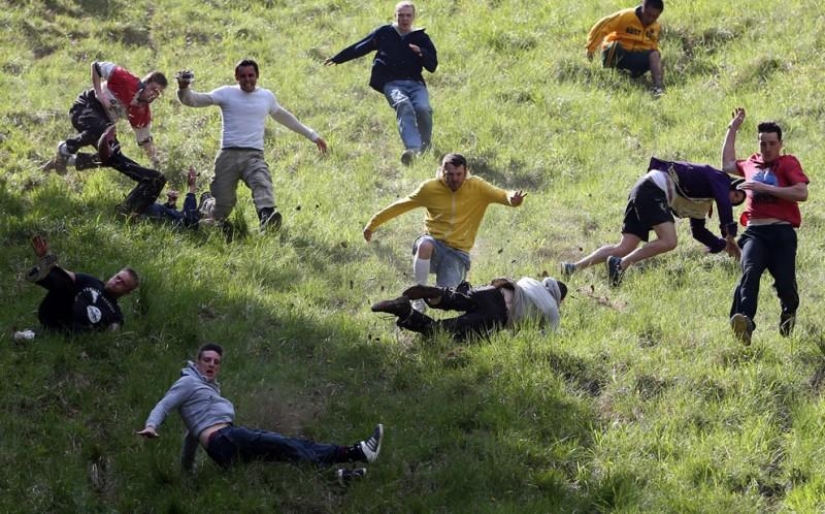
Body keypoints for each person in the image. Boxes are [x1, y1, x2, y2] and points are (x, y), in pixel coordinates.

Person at [137, 343, 383, 483]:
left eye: (216, 361)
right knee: (287, 444)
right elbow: (164, 404)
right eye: (207, 360)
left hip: (222, 450)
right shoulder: (188, 382)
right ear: (197, 361)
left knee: (285, 456)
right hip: (225, 439)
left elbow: (192, 437)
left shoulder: (207, 394)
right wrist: (152, 425)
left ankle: (340, 477)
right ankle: (357, 451)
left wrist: (187, 473)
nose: (212, 364)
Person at [175, 60, 328, 232]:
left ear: (257, 76)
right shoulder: (226, 93)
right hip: (228, 156)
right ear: (236, 77)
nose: (247, 80)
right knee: (222, 209)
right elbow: (194, 100)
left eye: (251, 75)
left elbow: (285, 117)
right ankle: (207, 202)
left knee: (262, 181)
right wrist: (183, 87)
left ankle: (267, 218)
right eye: (243, 76)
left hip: (253, 155)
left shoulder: (266, 97)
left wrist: (312, 135)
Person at [363, 153, 526, 311]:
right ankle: (418, 298)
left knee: (444, 299)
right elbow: (401, 205)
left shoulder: (478, 187)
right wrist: (373, 224)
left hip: (458, 254)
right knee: (425, 245)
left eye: (458, 174)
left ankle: (434, 314)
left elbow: (502, 194)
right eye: (450, 174)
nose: (454, 178)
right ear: (442, 171)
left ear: (466, 172)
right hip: (435, 246)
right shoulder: (429, 189)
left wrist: (513, 199)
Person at [560, 157, 746, 287]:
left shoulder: (704, 202)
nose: (733, 200)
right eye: (735, 194)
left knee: (625, 247)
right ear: (732, 185)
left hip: (643, 188)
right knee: (669, 241)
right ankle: (620, 265)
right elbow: (723, 201)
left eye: (737, 201)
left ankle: (572, 268)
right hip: (653, 189)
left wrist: (723, 246)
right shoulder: (720, 179)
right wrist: (729, 235)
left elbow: (698, 232)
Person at [722, 108, 809, 345]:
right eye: (763, 143)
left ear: (780, 144)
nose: (767, 148)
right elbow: (727, 163)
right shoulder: (751, 163)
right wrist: (733, 129)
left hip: (781, 232)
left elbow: (802, 192)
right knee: (749, 273)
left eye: (772, 143)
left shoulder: (787, 163)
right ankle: (745, 321)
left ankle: (788, 311)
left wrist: (766, 189)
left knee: (785, 285)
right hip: (754, 232)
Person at [325, 1, 437, 165]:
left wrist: (421, 52)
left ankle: (425, 146)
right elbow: (361, 46)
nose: (404, 19)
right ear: (395, 16)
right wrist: (338, 58)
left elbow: (432, 65)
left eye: (408, 15)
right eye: (401, 15)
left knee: (423, 109)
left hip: (415, 84)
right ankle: (413, 150)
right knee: (403, 105)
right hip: (391, 83)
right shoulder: (385, 32)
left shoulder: (421, 38)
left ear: (414, 17)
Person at [42, 60, 168, 186]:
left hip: (105, 124)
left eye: (158, 93)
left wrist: (156, 162)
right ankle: (64, 148)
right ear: (144, 84)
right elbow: (96, 66)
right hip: (86, 106)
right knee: (101, 130)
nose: (153, 94)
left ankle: (67, 161)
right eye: (152, 89)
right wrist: (99, 93)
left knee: (112, 156)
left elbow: (145, 140)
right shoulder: (127, 80)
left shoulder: (142, 111)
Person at [371, 276, 566, 341]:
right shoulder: (552, 310)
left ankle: (439, 294)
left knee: (457, 298)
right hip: (497, 315)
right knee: (444, 333)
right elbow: (546, 340)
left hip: (491, 291)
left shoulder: (531, 281)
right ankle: (405, 312)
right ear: (559, 299)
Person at [23, 235, 138, 334]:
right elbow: (66, 276)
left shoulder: (116, 313)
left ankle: (30, 335)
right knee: (67, 283)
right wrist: (45, 257)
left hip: (75, 330)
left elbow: (111, 335)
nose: (117, 281)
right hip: (58, 311)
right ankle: (41, 273)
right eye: (118, 277)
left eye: (122, 283)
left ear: (127, 292)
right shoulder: (92, 281)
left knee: (64, 332)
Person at [585, 0, 665, 96]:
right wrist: (591, 49)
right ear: (643, 8)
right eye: (648, 14)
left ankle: (658, 88)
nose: (650, 19)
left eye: (655, 16)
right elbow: (602, 26)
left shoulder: (656, 27)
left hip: (633, 59)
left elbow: (652, 46)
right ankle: (607, 72)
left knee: (655, 54)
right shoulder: (626, 15)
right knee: (615, 45)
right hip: (617, 53)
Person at [142, 167, 215, 228]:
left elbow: (168, 215)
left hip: (142, 207)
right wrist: (192, 188)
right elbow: (188, 221)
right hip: (142, 208)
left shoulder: (193, 221)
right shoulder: (192, 221)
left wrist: (170, 203)